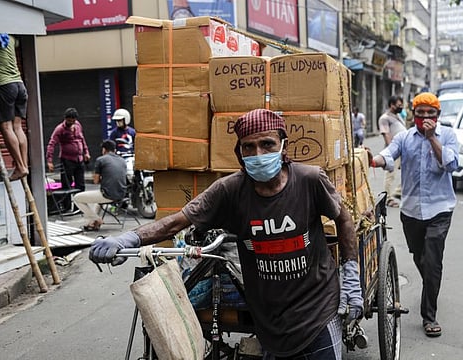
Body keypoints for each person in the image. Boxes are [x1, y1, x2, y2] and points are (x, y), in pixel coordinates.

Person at [90, 109, 363, 359]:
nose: (258, 154)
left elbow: (344, 219)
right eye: (248, 147)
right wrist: (128, 239)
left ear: (283, 146)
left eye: (267, 144)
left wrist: (351, 275)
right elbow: (176, 222)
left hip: (318, 311)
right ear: (239, 153)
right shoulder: (230, 190)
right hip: (270, 319)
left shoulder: (309, 180)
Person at [371, 92, 458, 338]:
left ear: (438, 116)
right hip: (410, 212)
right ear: (413, 116)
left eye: (431, 114)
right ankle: (431, 283)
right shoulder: (405, 137)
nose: (426, 119)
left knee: (432, 262)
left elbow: (451, 165)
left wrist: (432, 140)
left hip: (440, 210)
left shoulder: (449, 135)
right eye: (421, 115)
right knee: (421, 259)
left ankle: (428, 316)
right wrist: (372, 160)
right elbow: (388, 154)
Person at [0, 33, 29, 181]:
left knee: (6, 128)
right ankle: (24, 166)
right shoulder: (10, 38)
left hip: (2, 85)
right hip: (19, 85)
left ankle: (21, 167)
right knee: (18, 127)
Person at [73, 140, 127, 231]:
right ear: (114, 150)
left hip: (108, 195)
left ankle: (97, 219)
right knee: (95, 200)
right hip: (122, 194)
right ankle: (93, 224)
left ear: (104, 150)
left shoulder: (101, 159)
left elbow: (95, 180)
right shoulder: (122, 160)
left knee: (77, 198)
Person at [46, 107, 91, 197]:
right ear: (65, 119)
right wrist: (49, 161)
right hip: (67, 160)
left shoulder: (78, 125)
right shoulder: (60, 129)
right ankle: (67, 207)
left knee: (80, 184)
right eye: (69, 121)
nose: (71, 123)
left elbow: (82, 139)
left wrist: (86, 152)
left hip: (79, 159)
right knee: (66, 184)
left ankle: (79, 207)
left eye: (73, 121)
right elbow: (52, 143)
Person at [378, 95, 406, 207]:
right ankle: (388, 198)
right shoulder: (384, 118)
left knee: (409, 172)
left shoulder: (397, 116)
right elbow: (386, 134)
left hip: (404, 150)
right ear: (392, 105)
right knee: (390, 175)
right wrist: (391, 151)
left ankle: (398, 192)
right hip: (394, 150)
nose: (401, 107)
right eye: (399, 105)